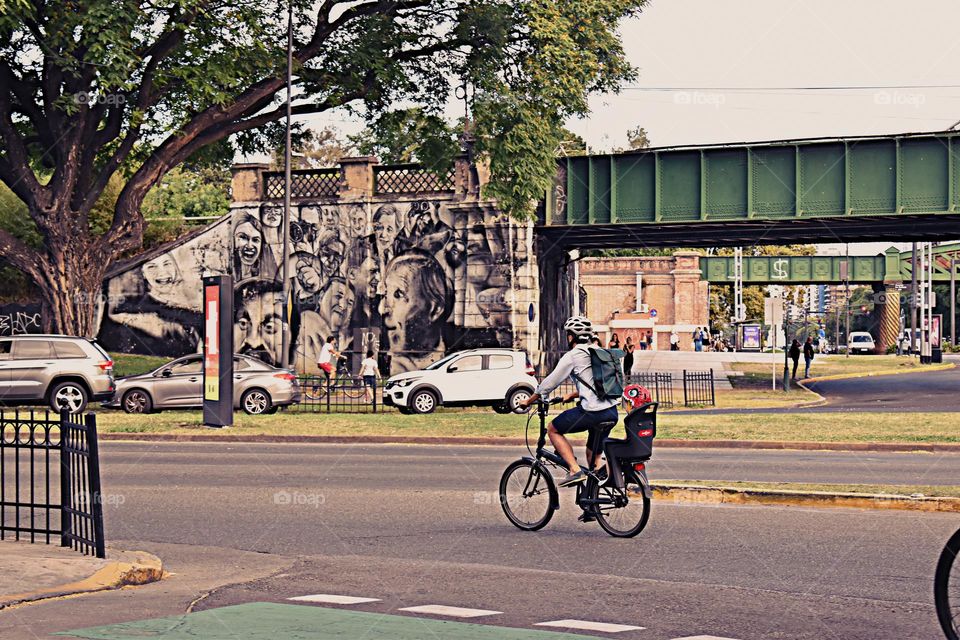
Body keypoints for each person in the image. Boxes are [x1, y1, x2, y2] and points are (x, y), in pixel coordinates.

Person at [518, 315, 619, 493]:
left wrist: (529, 400)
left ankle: (574, 469)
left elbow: (549, 383)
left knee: (553, 429)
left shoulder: (573, 355)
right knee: (592, 456)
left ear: (571, 336)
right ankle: (592, 502)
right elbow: (597, 384)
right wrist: (572, 395)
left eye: (568, 335)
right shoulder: (598, 351)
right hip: (611, 412)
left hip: (593, 413)